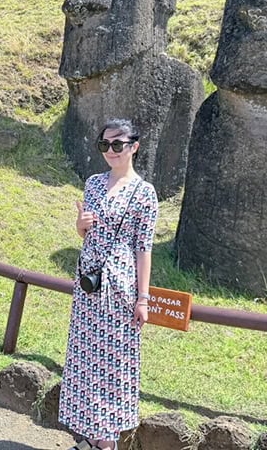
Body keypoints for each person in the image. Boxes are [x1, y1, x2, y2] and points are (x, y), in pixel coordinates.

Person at [58, 119, 158, 450]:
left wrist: (143, 299)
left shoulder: (144, 192)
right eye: (105, 145)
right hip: (88, 283)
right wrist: (80, 225)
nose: (111, 151)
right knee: (86, 358)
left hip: (119, 289)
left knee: (112, 363)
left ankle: (106, 441)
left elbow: (144, 249)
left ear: (134, 146)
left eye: (118, 144)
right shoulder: (94, 184)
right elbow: (87, 235)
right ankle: (89, 434)